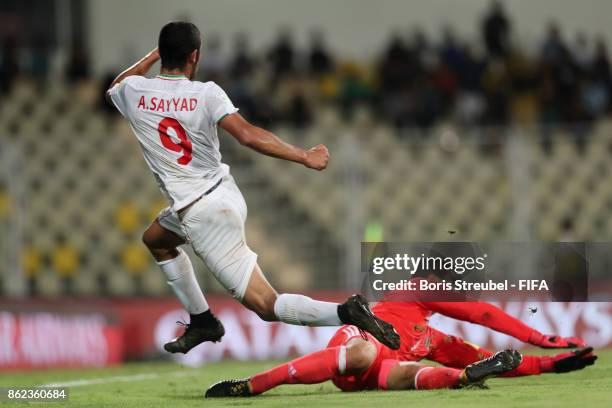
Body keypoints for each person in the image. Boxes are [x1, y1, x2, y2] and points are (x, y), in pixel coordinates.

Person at [105, 22, 400, 354]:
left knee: (265, 304)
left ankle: (347, 311)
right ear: (195, 56)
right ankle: (202, 321)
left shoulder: (135, 92)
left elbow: (116, 84)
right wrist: (304, 155)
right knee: (156, 239)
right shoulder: (207, 93)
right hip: (222, 192)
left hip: (202, 214)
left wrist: (154, 54)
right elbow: (247, 135)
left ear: (163, 54)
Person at [205, 295, 596, 397]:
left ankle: (464, 380)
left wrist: (549, 365)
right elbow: (482, 314)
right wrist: (540, 339)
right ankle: (253, 384)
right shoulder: (405, 297)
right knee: (367, 352)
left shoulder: (434, 338)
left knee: (413, 374)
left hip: (374, 375)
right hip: (355, 345)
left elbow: (485, 353)